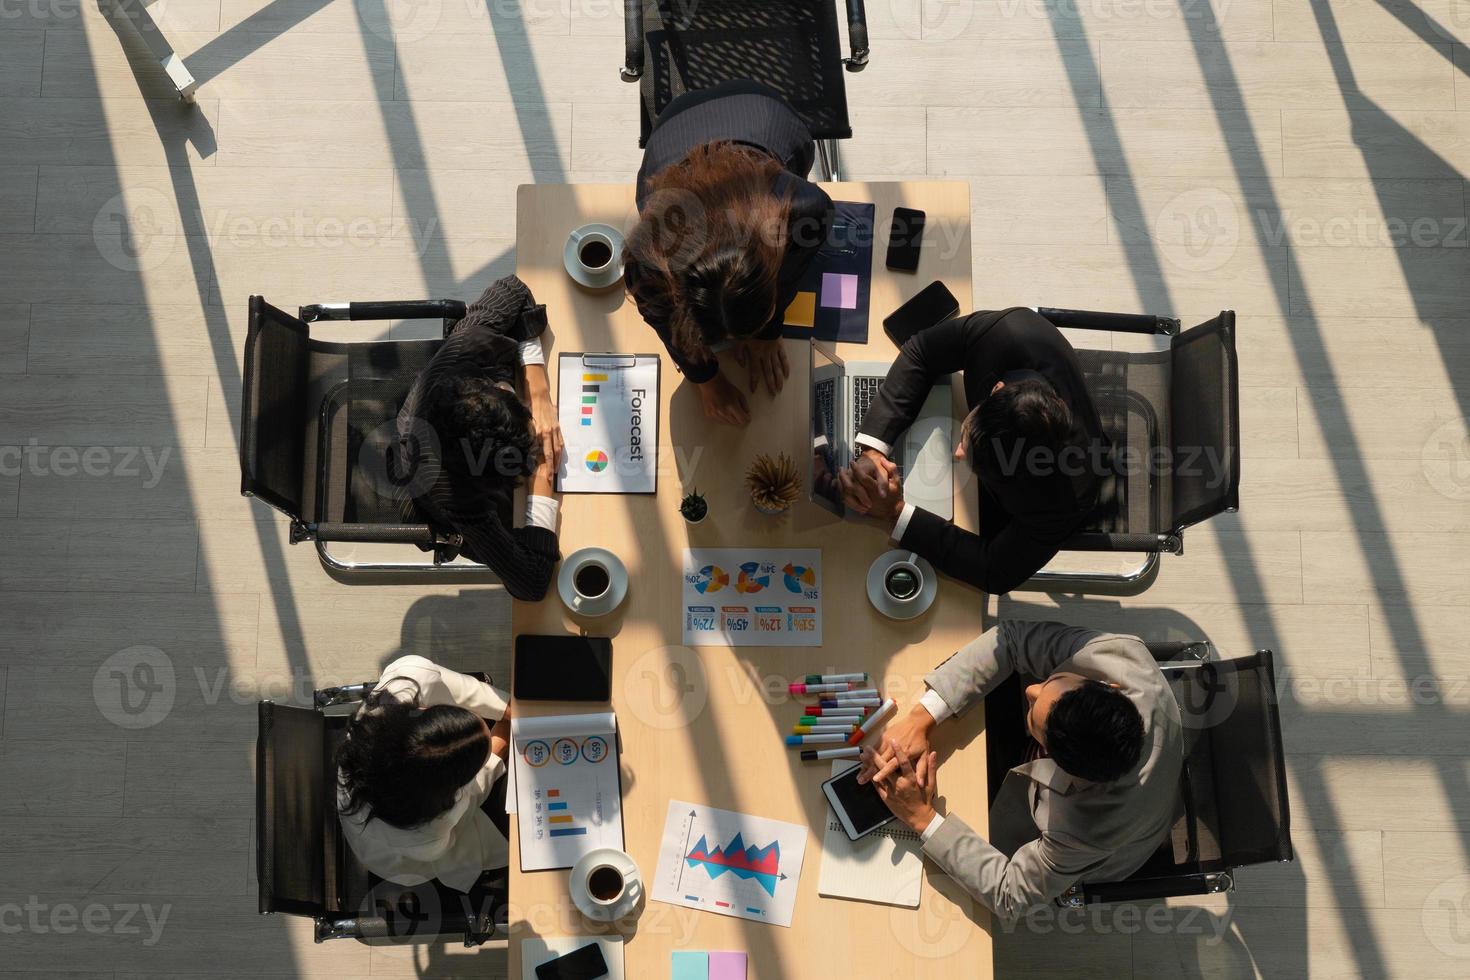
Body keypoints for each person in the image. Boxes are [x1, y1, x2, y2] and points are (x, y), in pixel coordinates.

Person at [856, 621, 1183, 927]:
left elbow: (1010, 895)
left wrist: (922, 817)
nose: (1032, 690)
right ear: (1106, 685)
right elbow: (1011, 639)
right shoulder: (1120, 657)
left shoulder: (1088, 829)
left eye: (1033, 720)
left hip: (1102, 847)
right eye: (1052, 683)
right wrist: (922, 716)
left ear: (1051, 759)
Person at [839, 307, 1108, 595]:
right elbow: (922, 350)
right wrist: (873, 449)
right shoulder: (1006, 332)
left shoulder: (1063, 501)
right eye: (967, 437)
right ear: (996, 389)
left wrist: (896, 512)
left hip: (1020, 513)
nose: (957, 453)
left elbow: (994, 572)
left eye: (971, 455)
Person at [624, 79, 834, 426]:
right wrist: (704, 378)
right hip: (680, 128)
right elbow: (659, 313)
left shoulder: (803, 208)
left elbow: (794, 269)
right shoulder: (649, 253)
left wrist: (769, 333)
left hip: (761, 114)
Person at [393, 275, 563, 601]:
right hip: (427, 495)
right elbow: (530, 584)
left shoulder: (462, 351)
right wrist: (542, 479)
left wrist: (539, 394)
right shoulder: (460, 500)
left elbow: (514, 291)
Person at [336, 655, 512, 893]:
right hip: (407, 859)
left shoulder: (401, 688)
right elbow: (470, 798)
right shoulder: (425, 835)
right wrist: (496, 751)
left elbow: (455, 686)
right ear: (453, 789)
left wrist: (509, 709)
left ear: (421, 710)